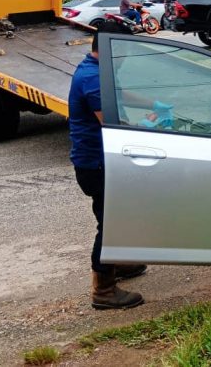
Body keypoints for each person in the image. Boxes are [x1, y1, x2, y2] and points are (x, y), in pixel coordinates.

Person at [68, 22, 146, 310]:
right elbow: (113, 125)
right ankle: (103, 289)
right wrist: (149, 127)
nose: (125, 57)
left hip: (98, 161)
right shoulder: (92, 78)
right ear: (111, 47)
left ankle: (117, 262)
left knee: (117, 216)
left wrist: (157, 104)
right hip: (97, 166)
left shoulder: (97, 70)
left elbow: (122, 97)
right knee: (110, 221)